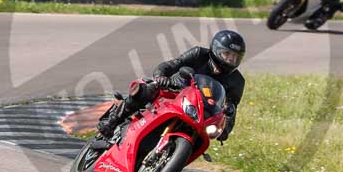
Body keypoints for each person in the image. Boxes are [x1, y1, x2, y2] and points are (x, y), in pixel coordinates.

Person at [97, 30, 246, 141]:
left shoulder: (237, 81)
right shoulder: (199, 54)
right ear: (216, 49)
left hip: (199, 111)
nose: (230, 60)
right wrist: (161, 77)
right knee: (146, 90)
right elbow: (173, 64)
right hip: (174, 90)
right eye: (227, 54)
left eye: (235, 57)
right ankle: (112, 121)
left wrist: (225, 130)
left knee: (201, 137)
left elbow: (231, 110)